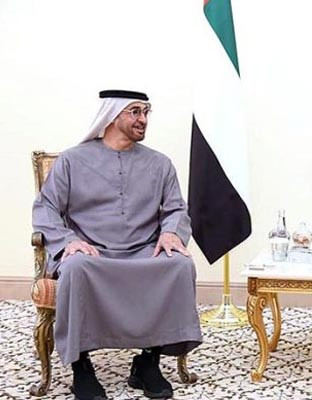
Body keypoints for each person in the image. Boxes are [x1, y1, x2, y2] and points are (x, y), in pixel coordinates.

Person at [32, 90, 202, 400]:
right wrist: (69, 241)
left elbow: (176, 209)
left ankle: (148, 362)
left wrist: (171, 233)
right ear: (112, 115)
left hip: (142, 251)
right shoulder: (72, 160)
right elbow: (46, 208)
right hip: (92, 252)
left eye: (146, 112)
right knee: (76, 267)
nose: (143, 119)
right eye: (135, 112)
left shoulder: (160, 164)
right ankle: (81, 368)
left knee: (179, 264)